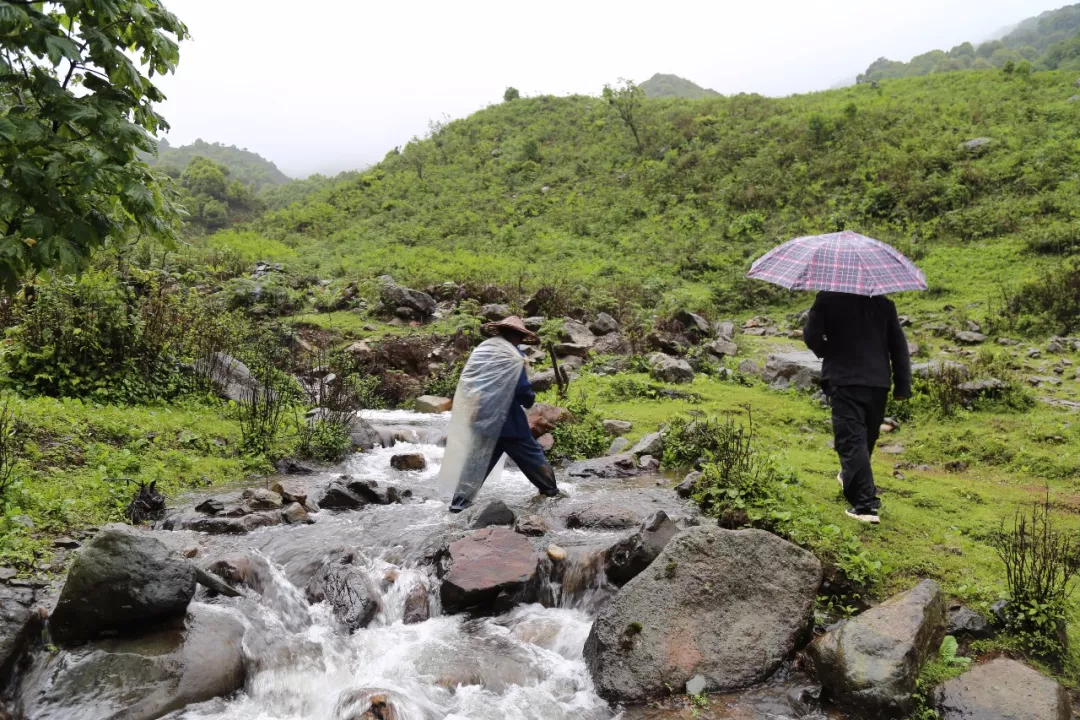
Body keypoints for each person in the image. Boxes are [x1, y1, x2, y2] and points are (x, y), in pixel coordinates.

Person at [803, 292, 911, 524]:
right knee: (865, 438)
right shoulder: (884, 304)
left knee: (851, 440)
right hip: (878, 383)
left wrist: (826, 350)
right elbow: (898, 346)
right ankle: (849, 478)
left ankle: (866, 506)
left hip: (845, 379)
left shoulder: (828, 298)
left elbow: (811, 335)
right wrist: (903, 385)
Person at [448, 316, 560, 512]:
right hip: (509, 423)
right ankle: (552, 493)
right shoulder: (512, 356)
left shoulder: (484, 350)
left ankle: (458, 505)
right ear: (518, 336)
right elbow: (523, 390)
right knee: (533, 457)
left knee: (476, 465)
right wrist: (529, 400)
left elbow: (472, 382)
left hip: (482, 419)